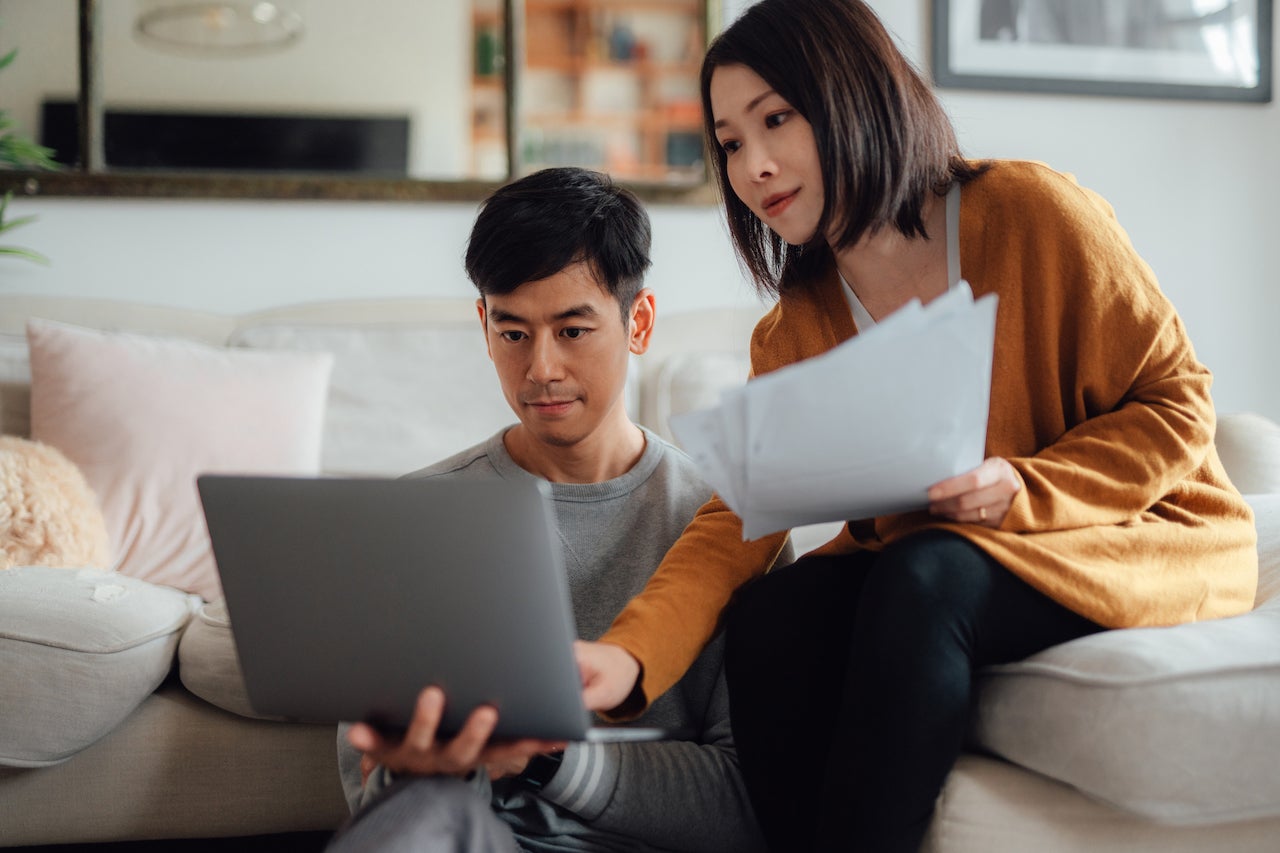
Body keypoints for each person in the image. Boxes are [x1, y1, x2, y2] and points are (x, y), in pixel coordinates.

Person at [573, 1, 1259, 851]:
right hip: (952, 556)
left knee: (925, 573)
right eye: (730, 143)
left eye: (775, 119)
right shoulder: (794, 329)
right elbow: (737, 521)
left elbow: (1178, 402)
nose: (752, 165)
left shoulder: (1035, 214)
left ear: (852, 94)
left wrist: (1026, 486)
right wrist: (629, 657)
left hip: (1131, 531)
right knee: (774, 613)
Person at [328, 166, 769, 853]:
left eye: (572, 330)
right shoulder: (419, 513)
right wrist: (421, 772)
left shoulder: (729, 522)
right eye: (513, 333)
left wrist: (547, 757)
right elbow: (371, 795)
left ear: (639, 322)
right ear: (484, 324)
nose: (540, 368)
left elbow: (750, 803)